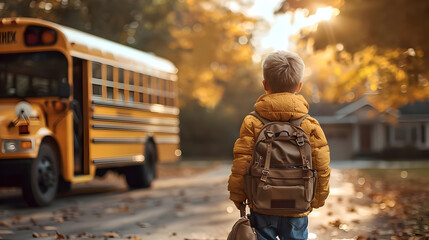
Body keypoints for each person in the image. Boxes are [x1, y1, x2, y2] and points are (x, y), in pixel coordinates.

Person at [227, 51, 331, 240]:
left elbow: (242, 162)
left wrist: (237, 195)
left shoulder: (252, 122)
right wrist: (317, 198)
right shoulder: (310, 125)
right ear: (299, 86)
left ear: (265, 85)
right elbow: (322, 165)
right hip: (298, 202)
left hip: (262, 201)